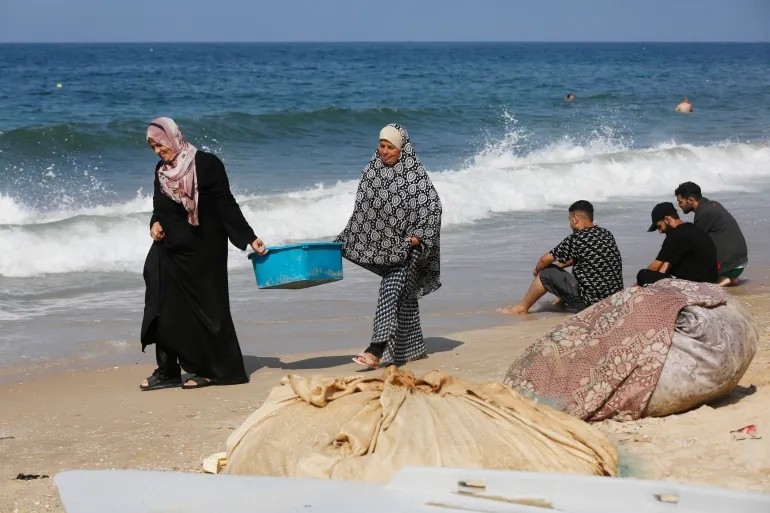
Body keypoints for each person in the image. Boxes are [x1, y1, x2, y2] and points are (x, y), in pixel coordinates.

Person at [139, 117, 267, 391]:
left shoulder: (207, 164)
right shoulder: (161, 171)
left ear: (173, 138)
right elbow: (158, 208)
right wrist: (155, 224)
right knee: (160, 304)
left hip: (204, 249)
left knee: (209, 311)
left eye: (159, 145)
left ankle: (221, 370)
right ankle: (168, 369)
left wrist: (249, 237)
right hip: (169, 248)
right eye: (152, 147)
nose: (158, 152)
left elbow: (225, 203)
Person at [336, 124, 442, 370]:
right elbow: (363, 213)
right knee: (404, 297)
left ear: (402, 149)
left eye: (390, 147)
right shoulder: (372, 171)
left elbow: (434, 207)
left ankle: (375, 349)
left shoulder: (415, 176)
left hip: (410, 250)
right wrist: (346, 239)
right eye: (381, 146)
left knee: (391, 287)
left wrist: (418, 237)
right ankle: (413, 349)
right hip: (385, 248)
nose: (384, 151)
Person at [498, 200, 623, 314]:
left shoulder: (577, 238)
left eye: (569, 220)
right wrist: (558, 268)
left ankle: (521, 308)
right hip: (614, 299)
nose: (570, 224)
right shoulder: (606, 234)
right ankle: (560, 301)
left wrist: (538, 272)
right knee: (575, 272)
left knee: (546, 273)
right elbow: (583, 258)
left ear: (575, 218)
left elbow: (544, 260)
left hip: (592, 303)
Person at [674, 181, 748, 286]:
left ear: (690, 200)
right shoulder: (713, 205)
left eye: (680, 202)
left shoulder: (703, 213)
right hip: (740, 263)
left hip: (729, 266)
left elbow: (693, 245)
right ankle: (731, 277)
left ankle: (721, 280)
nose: (679, 205)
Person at [636, 202, 717, 286]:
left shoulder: (676, 235)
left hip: (694, 284)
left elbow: (653, 268)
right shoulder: (693, 229)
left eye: (659, 226)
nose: (659, 231)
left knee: (643, 275)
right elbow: (666, 265)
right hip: (710, 281)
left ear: (667, 219)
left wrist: (632, 289)